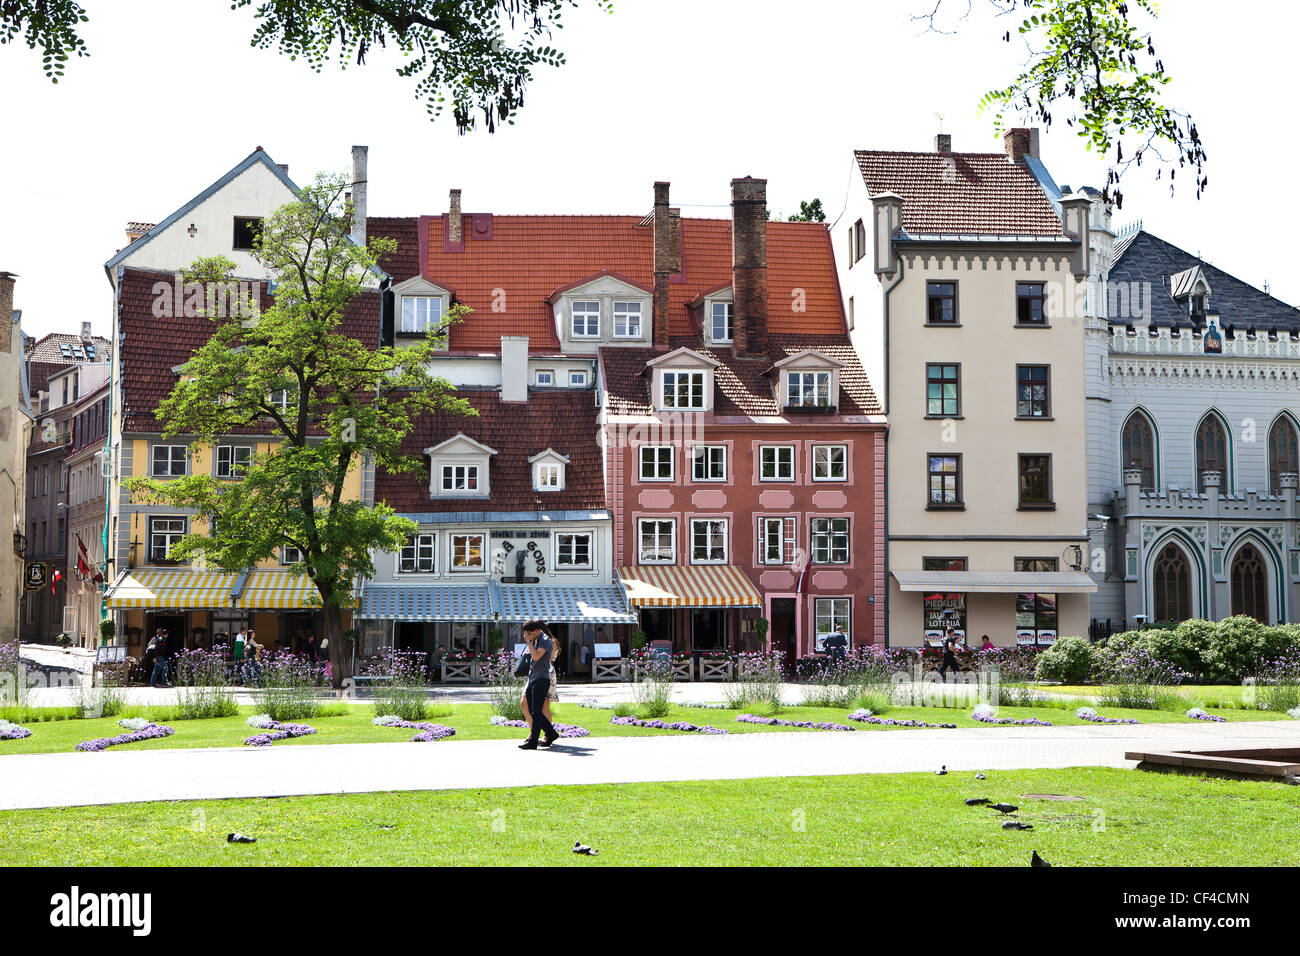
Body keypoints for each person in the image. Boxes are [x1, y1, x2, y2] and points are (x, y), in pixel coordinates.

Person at [518, 619, 558, 750]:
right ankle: (550, 733)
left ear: (536, 631)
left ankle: (534, 741)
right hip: (533, 678)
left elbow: (535, 657)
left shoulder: (545, 641)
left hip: (541, 679)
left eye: (528, 634)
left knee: (536, 711)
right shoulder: (536, 639)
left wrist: (529, 643)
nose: (525, 637)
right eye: (525, 634)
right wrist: (531, 641)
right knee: (532, 709)